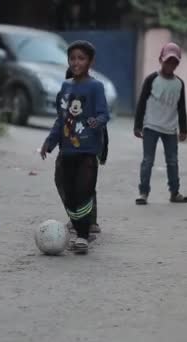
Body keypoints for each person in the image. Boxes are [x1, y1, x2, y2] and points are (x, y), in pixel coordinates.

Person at [40, 40, 110, 254]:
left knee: (84, 191)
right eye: (72, 58)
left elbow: (104, 114)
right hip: (67, 151)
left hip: (87, 152)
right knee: (66, 190)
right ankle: (78, 223)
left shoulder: (96, 87)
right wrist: (49, 142)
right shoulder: (66, 86)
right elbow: (61, 119)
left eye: (81, 58)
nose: (76, 62)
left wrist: (95, 123)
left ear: (90, 61)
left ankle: (82, 235)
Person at [134, 42, 187, 205]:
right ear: (161, 60)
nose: (170, 65)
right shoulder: (152, 79)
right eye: (168, 61)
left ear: (177, 64)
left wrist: (184, 129)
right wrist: (137, 125)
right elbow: (142, 103)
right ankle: (143, 192)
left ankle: (175, 192)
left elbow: (181, 107)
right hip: (151, 126)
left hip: (170, 128)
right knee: (147, 161)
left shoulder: (179, 83)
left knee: (172, 161)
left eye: (174, 62)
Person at [61, 67, 107, 237]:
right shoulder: (66, 102)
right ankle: (77, 218)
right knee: (67, 183)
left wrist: (101, 153)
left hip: (87, 151)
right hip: (68, 152)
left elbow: (103, 131)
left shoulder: (91, 102)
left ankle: (89, 222)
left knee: (86, 186)